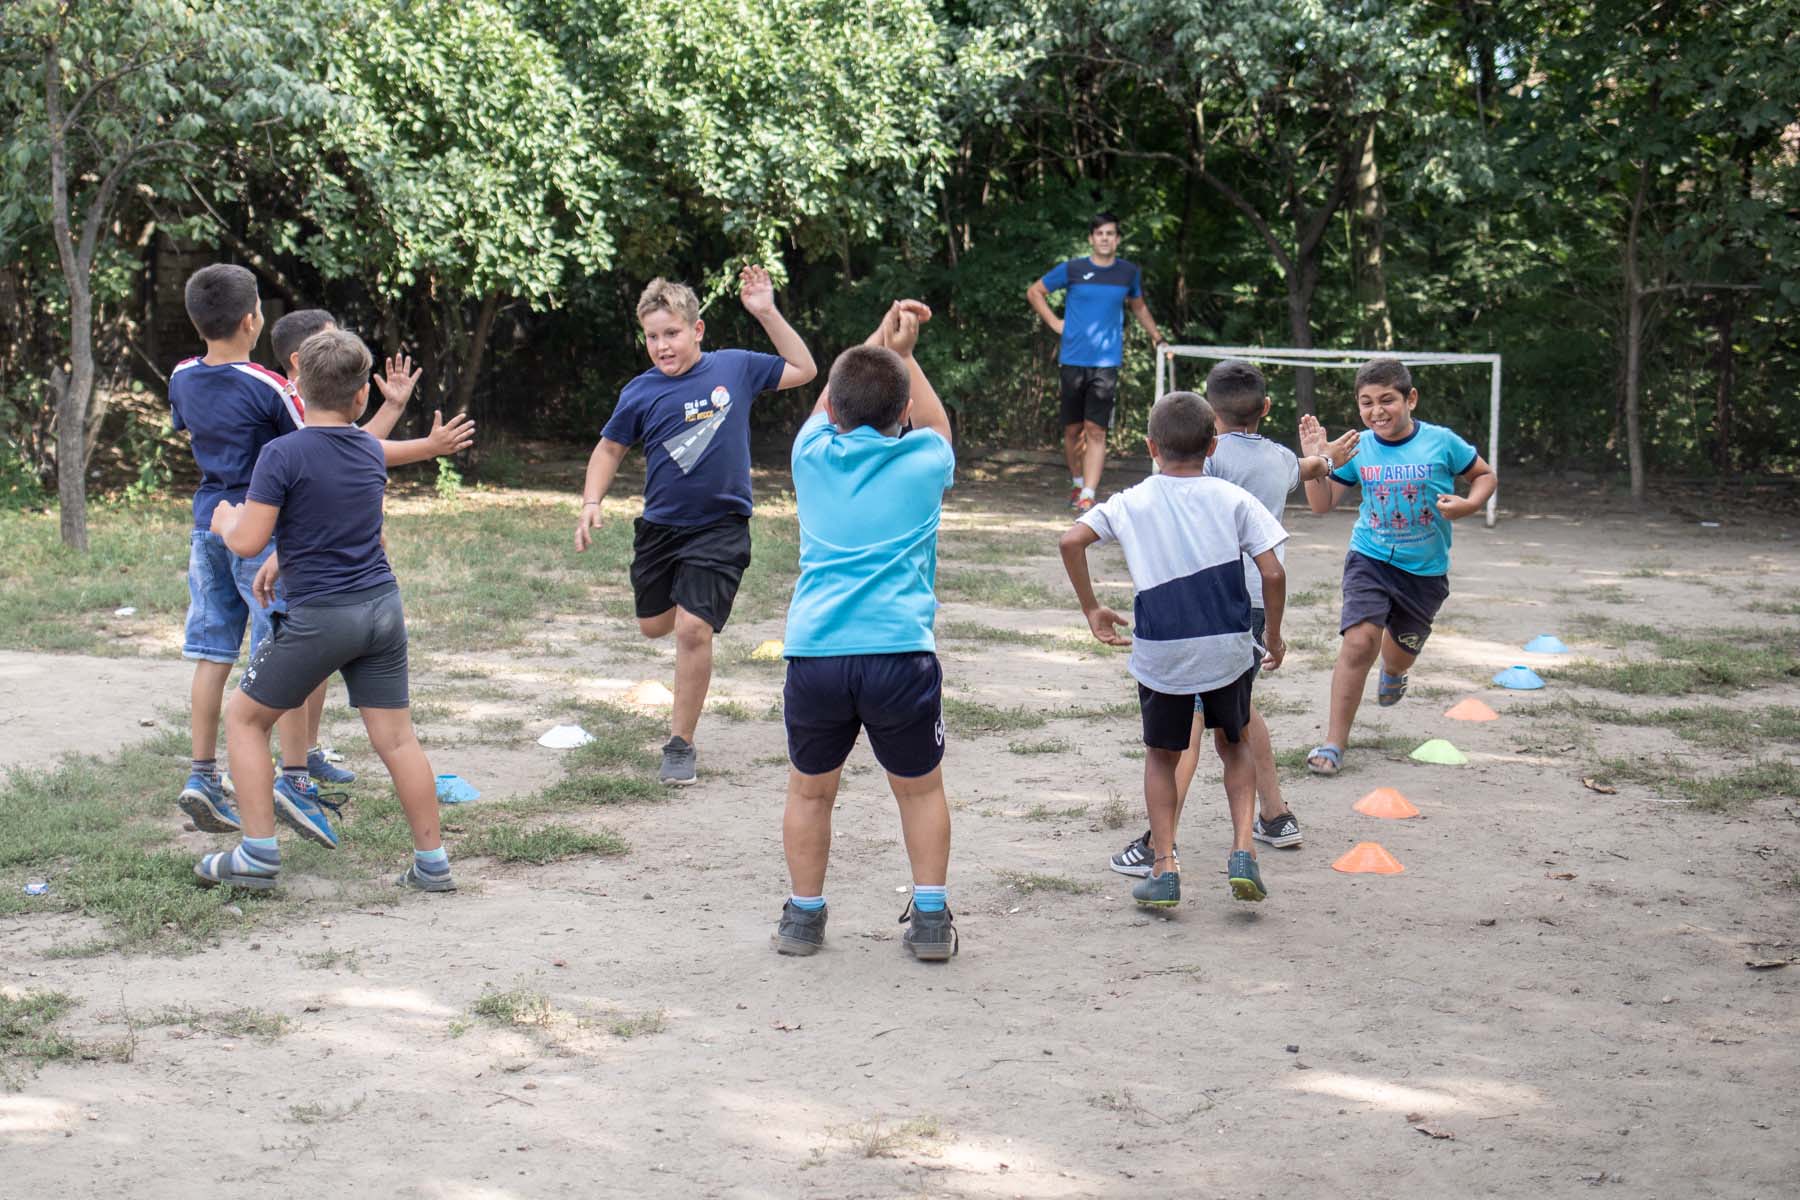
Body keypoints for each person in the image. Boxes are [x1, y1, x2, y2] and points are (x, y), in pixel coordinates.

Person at [200, 328, 455, 892]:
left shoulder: (280, 454)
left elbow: (246, 541)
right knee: (397, 740)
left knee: (244, 719)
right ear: (362, 395)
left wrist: (224, 521)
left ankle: (257, 855)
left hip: (323, 616)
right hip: (382, 609)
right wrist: (284, 560)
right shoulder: (368, 449)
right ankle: (432, 862)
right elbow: (333, 522)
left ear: (294, 383)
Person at [1107, 361, 1359, 876]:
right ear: (1266, 409)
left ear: (1207, 420)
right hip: (1256, 604)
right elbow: (1308, 472)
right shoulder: (1279, 459)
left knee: (1190, 724)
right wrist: (1322, 458)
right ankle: (1274, 815)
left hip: (1207, 603)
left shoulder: (1205, 461)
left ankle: (1160, 844)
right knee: (1239, 714)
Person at [574, 267, 816, 785]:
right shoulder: (639, 392)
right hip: (661, 529)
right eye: (652, 336)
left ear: (698, 330)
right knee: (654, 625)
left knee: (692, 629)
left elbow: (804, 368)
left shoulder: (736, 367)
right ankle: (676, 623)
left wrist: (766, 311)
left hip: (721, 527)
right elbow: (609, 448)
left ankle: (680, 743)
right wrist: (592, 499)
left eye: (672, 333)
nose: (662, 345)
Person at [771, 299, 958, 962]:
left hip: (817, 652)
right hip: (899, 653)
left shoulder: (810, 455)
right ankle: (930, 919)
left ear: (837, 413)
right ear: (900, 416)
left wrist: (878, 338)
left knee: (809, 789)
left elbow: (834, 395)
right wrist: (905, 354)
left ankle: (803, 916)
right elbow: (934, 424)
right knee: (921, 790)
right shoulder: (924, 462)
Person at [1060, 391, 1287, 907]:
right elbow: (1272, 572)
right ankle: (1244, 851)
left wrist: (1092, 607)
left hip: (1161, 651)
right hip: (1228, 646)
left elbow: (1070, 542)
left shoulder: (1130, 500)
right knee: (1235, 745)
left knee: (1163, 756)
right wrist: (1271, 635)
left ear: (1150, 446)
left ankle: (1164, 866)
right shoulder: (1233, 499)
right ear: (1212, 446)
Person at [259, 308, 471, 790]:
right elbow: (348, 451)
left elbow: (355, 447)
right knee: (278, 699)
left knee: (265, 704)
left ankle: (296, 771)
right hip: (346, 591)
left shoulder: (318, 422)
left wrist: (401, 417)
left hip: (335, 589)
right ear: (302, 363)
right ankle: (295, 772)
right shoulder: (283, 420)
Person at [1300, 358, 1497, 776]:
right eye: (1366, 403)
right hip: (1369, 558)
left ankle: (1393, 671)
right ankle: (1334, 742)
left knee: (1398, 656)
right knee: (1358, 642)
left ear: (1410, 398)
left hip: (1423, 572)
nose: (1377, 411)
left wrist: (1471, 504)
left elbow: (1483, 475)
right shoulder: (1357, 447)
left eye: (1387, 400)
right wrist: (1316, 464)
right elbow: (1320, 505)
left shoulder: (1442, 442)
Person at [1026, 212, 1164, 513]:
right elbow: (1035, 291)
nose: (1105, 238)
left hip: (1106, 362)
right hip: (1073, 360)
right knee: (1073, 430)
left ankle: (1089, 493)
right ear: (1091, 238)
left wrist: (1157, 336)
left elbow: (1138, 306)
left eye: (1110, 233)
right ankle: (1077, 483)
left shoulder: (1128, 273)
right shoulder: (1074, 269)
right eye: (1100, 233)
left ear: (1117, 239)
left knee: (1096, 430)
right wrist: (1054, 322)